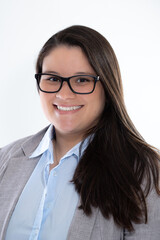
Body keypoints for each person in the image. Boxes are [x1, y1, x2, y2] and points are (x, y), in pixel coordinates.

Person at [0, 25, 160, 240]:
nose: (64, 95)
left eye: (82, 80)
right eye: (53, 79)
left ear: (108, 87)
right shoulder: (6, 159)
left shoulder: (143, 171)